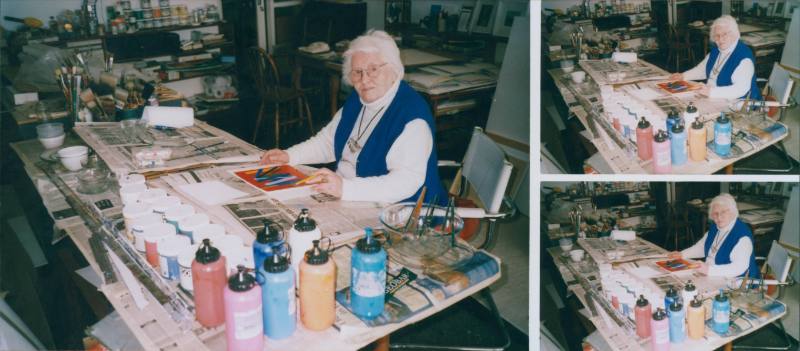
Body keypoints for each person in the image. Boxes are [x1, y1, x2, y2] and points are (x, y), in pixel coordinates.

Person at [259, 30, 447, 204]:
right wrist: (289, 156)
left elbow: (404, 183)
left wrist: (345, 188)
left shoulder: (412, 117)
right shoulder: (358, 100)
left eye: (373, 69)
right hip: (350, 197)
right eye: (357, 72)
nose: (364, 80)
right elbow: (328, 142)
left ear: (394, 70)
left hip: (401, 212)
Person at [668, 15, 762, 100]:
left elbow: (740, 89)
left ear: (734, 34)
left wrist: (711, 92)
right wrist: (683, 76)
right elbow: (702, 70)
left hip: (739, 104)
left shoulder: (744, 58)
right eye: (717, 36)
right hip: (713, 96)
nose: (720, 39)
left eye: (725, 34)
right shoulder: (717, 50)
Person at [667, 193, 760, 279]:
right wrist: (682, 254)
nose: (719, 217)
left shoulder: (742, 236)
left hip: (736, 282)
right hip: (712, 275)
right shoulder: (716, 227)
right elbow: (702, 247)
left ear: (733, 212)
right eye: (715, 214)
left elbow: (738, 268)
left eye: (723, 212)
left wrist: (708, 270)